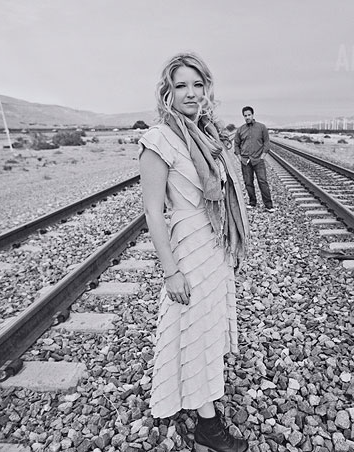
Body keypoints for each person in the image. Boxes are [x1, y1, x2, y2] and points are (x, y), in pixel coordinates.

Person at [138, 53, 250, 452]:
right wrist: (171, 271)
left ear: (207, 89)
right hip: (188, 245)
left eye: (197, 84)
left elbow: (222, 194)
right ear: (167, 92)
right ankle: (207, 425)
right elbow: (153, 212)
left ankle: (197, 396)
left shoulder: (207, 134)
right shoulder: (159, 140)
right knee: (195, 327)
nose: (190, 93)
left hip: (214, 245)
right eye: (181, 85)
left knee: (204, 327)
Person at [233, 106, 274, 212]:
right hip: (245, 161)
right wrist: (239, 157)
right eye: (245, 116)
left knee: (262, 181)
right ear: (243, 116)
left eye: (249, 115)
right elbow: (236, 144)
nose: (247, 117)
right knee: (248, 182)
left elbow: (266, 142)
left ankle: (269, 205)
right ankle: (252, 202)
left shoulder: (261, 127)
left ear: (253, 115)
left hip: (258, 160)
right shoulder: (240, 130)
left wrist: (262, 156)